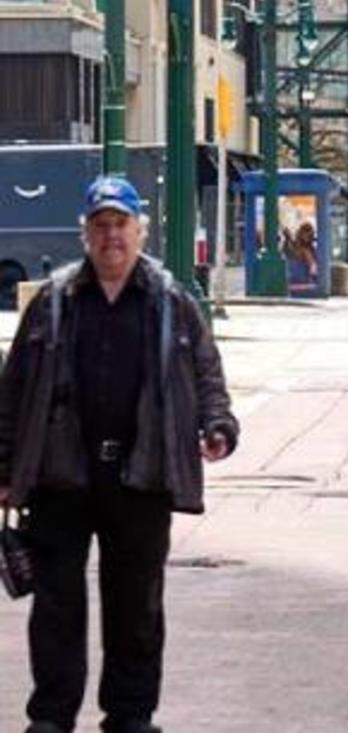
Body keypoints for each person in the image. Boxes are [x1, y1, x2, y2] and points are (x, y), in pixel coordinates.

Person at [0, 176, 239, 733]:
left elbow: (206, 370)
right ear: (85, 234)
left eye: (121, 225)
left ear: (141, 231)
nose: (111, 236)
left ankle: (130, 715)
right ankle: (52, 718)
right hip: (61, 475)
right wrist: (5, 467)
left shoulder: (171, 300)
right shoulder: (55, 300)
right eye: (101, 226)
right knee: (57, 608)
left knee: (136, 608)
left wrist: (218, 424)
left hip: (142, 476)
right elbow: (14, 389)